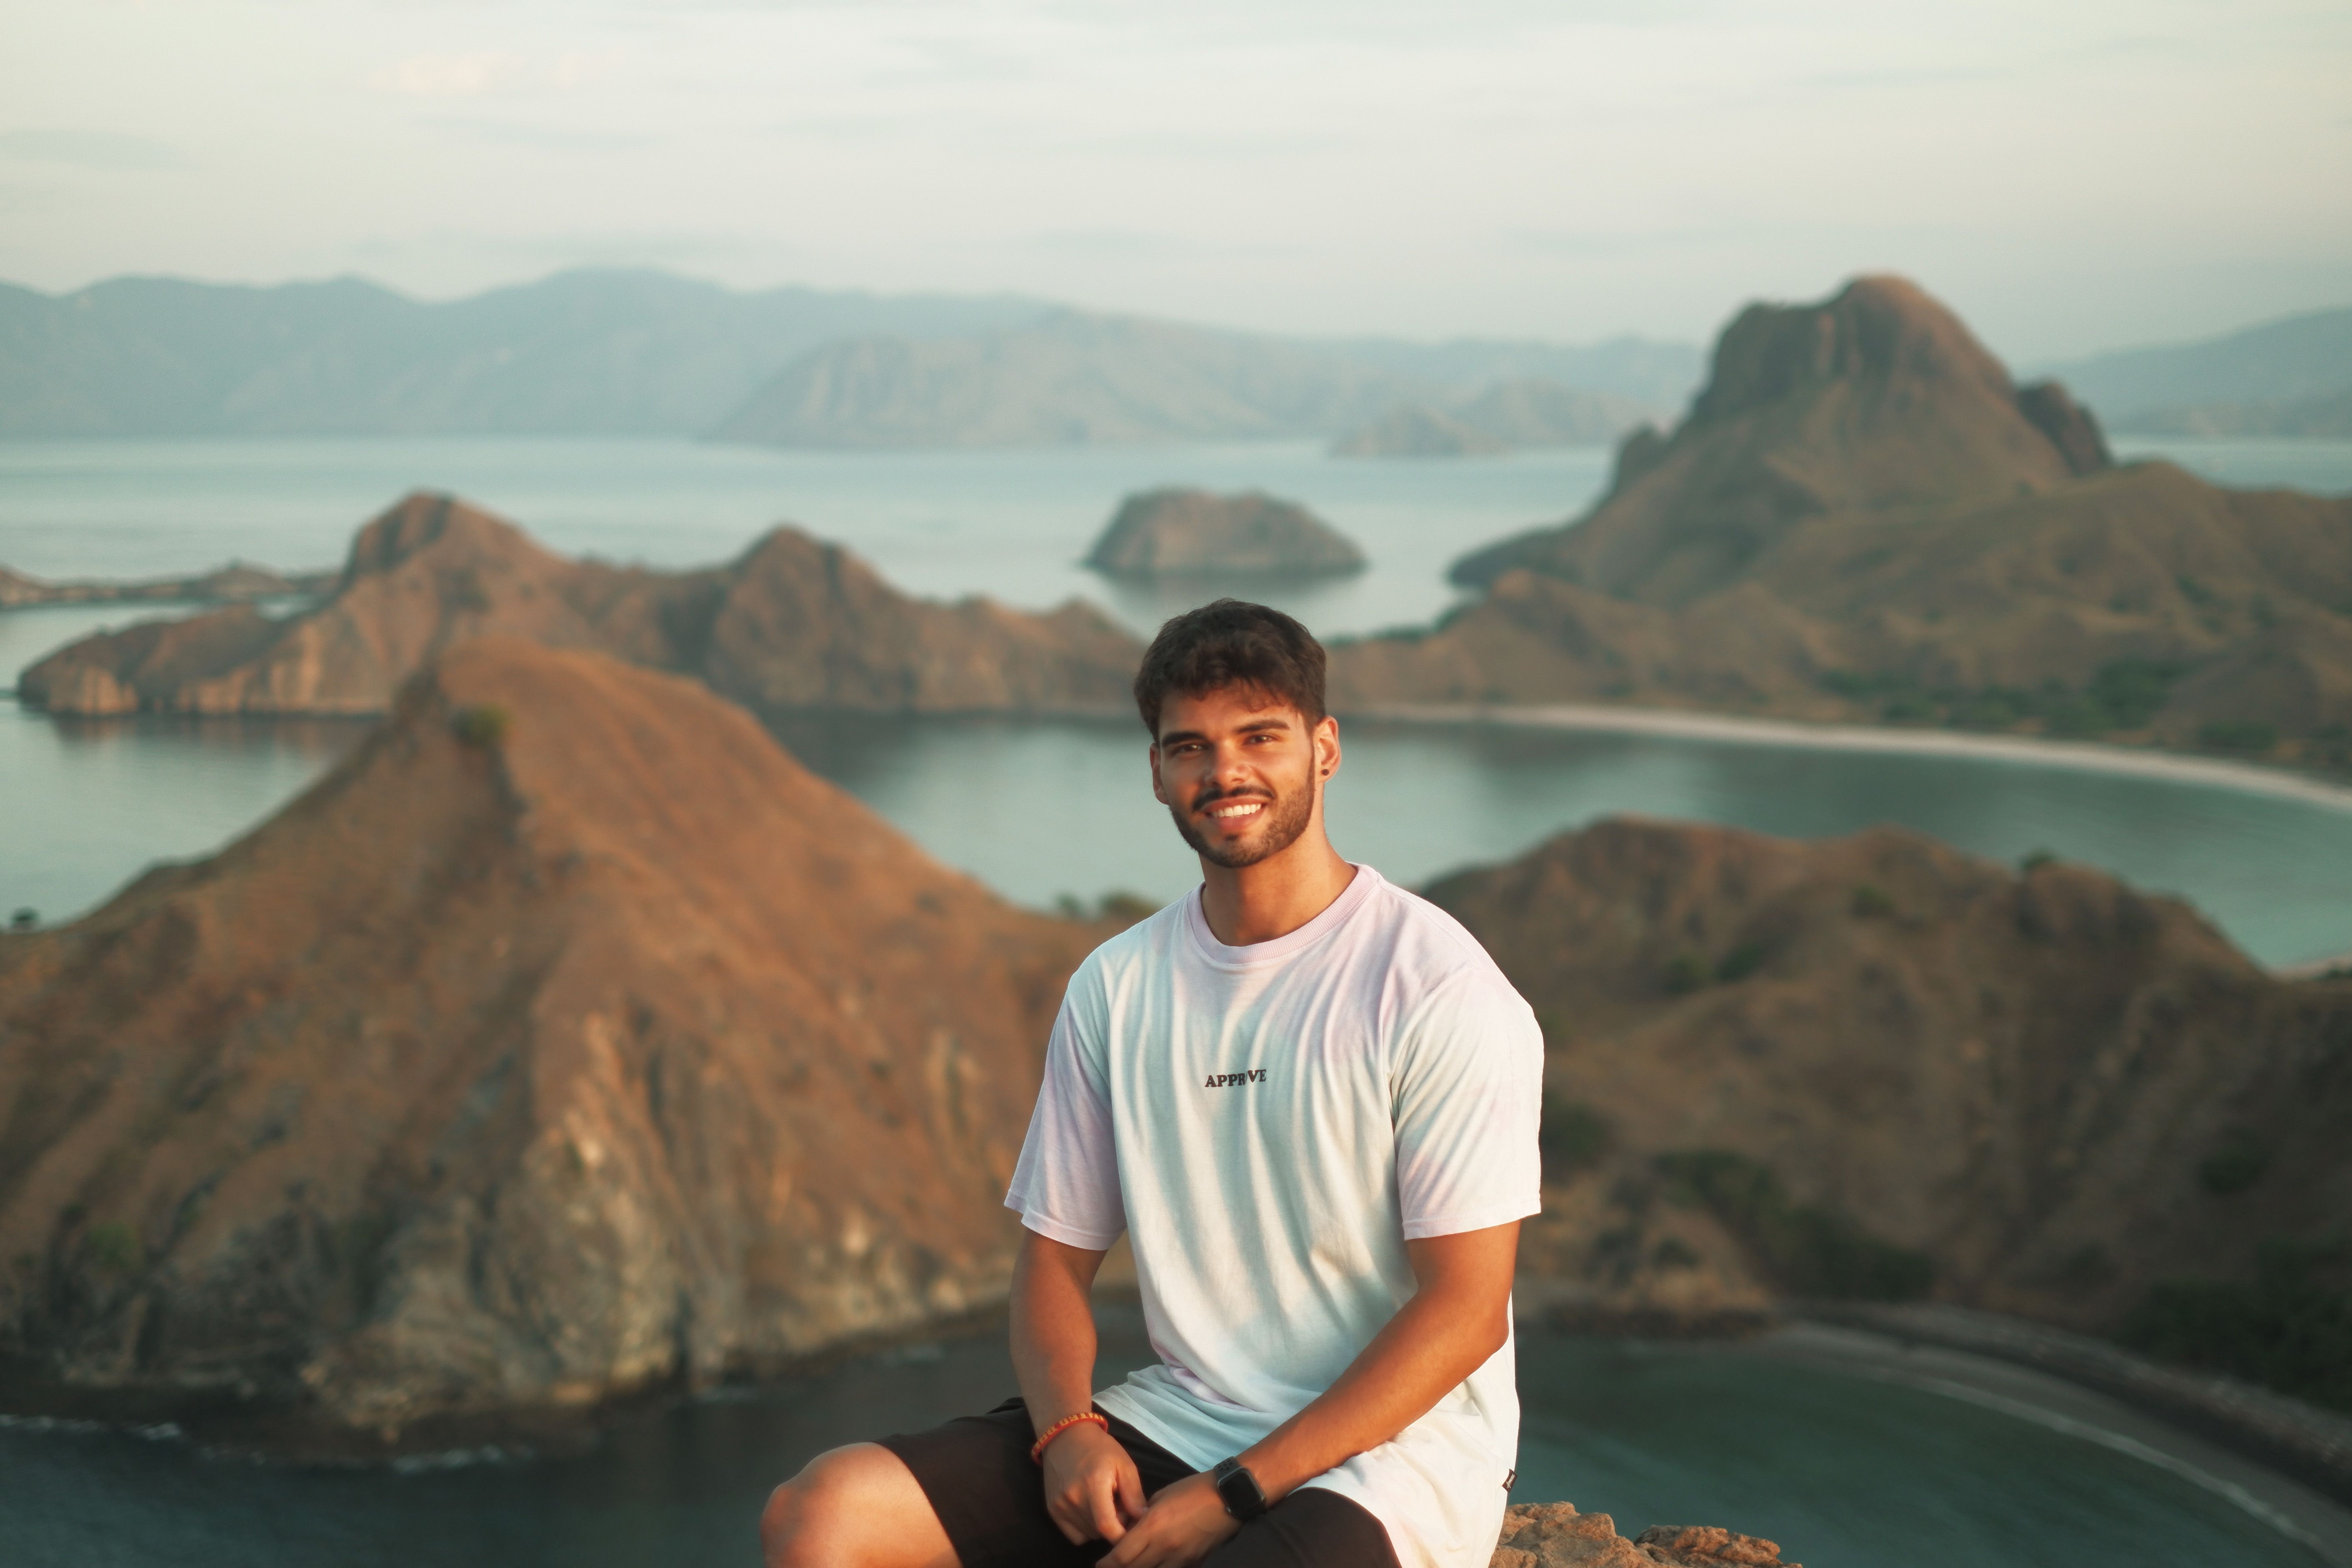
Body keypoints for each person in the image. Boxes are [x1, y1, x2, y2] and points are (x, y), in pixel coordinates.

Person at [761, 600, 1543, 1568]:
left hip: (1393, 1455)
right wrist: (1066, 1430)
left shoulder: (1436, 986)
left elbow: (1465, 1309)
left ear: (1325, 746)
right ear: (1159, 772)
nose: (1226, 772)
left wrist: (1232, 1493)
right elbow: (1052, 1261)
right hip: (1183, 1413)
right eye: (1192, 747)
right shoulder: (1118, 984)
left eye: (1262, 736)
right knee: (819, 1515)